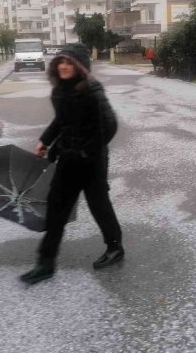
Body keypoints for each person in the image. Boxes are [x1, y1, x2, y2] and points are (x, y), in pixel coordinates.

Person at [20, 43, 124, 285]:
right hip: (67, 158)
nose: (64, 66)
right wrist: (45, 140)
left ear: (79, 66)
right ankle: (45, 263)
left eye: (68, 62)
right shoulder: (60, 91)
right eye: (60, 62)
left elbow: (109, 126)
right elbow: (60, 120)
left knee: (98, 204)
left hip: (92, 161)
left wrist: (88, 153)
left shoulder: (91, 90)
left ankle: (115, 247)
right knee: (56, 209)